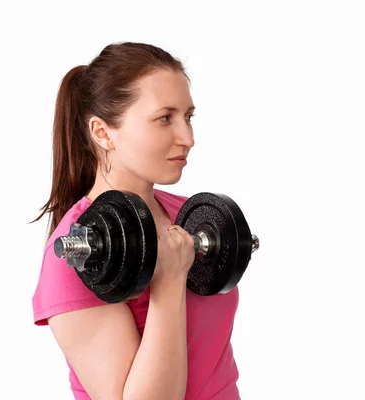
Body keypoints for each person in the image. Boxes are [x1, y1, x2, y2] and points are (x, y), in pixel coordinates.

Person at [31, 42, 241, 400]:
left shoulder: (187, 214)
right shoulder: (75, 252)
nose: (188, 138)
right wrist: (169, 282)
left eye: (188, 117)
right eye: (164, 118)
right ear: (102, 133)